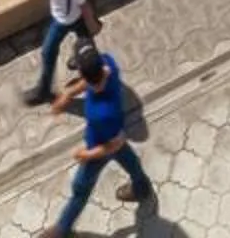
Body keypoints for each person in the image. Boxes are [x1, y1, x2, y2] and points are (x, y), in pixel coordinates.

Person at [38, 45, 154, 235]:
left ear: (84, 74)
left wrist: (87, 154)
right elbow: (90, 81)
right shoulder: (109, 64)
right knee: (129, 159)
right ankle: (142, 187)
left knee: (80, 188)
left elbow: (114, 143)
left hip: (101, 145)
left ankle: (62, 229)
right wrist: (68, 94)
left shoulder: (101, 112)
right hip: (112, 130)